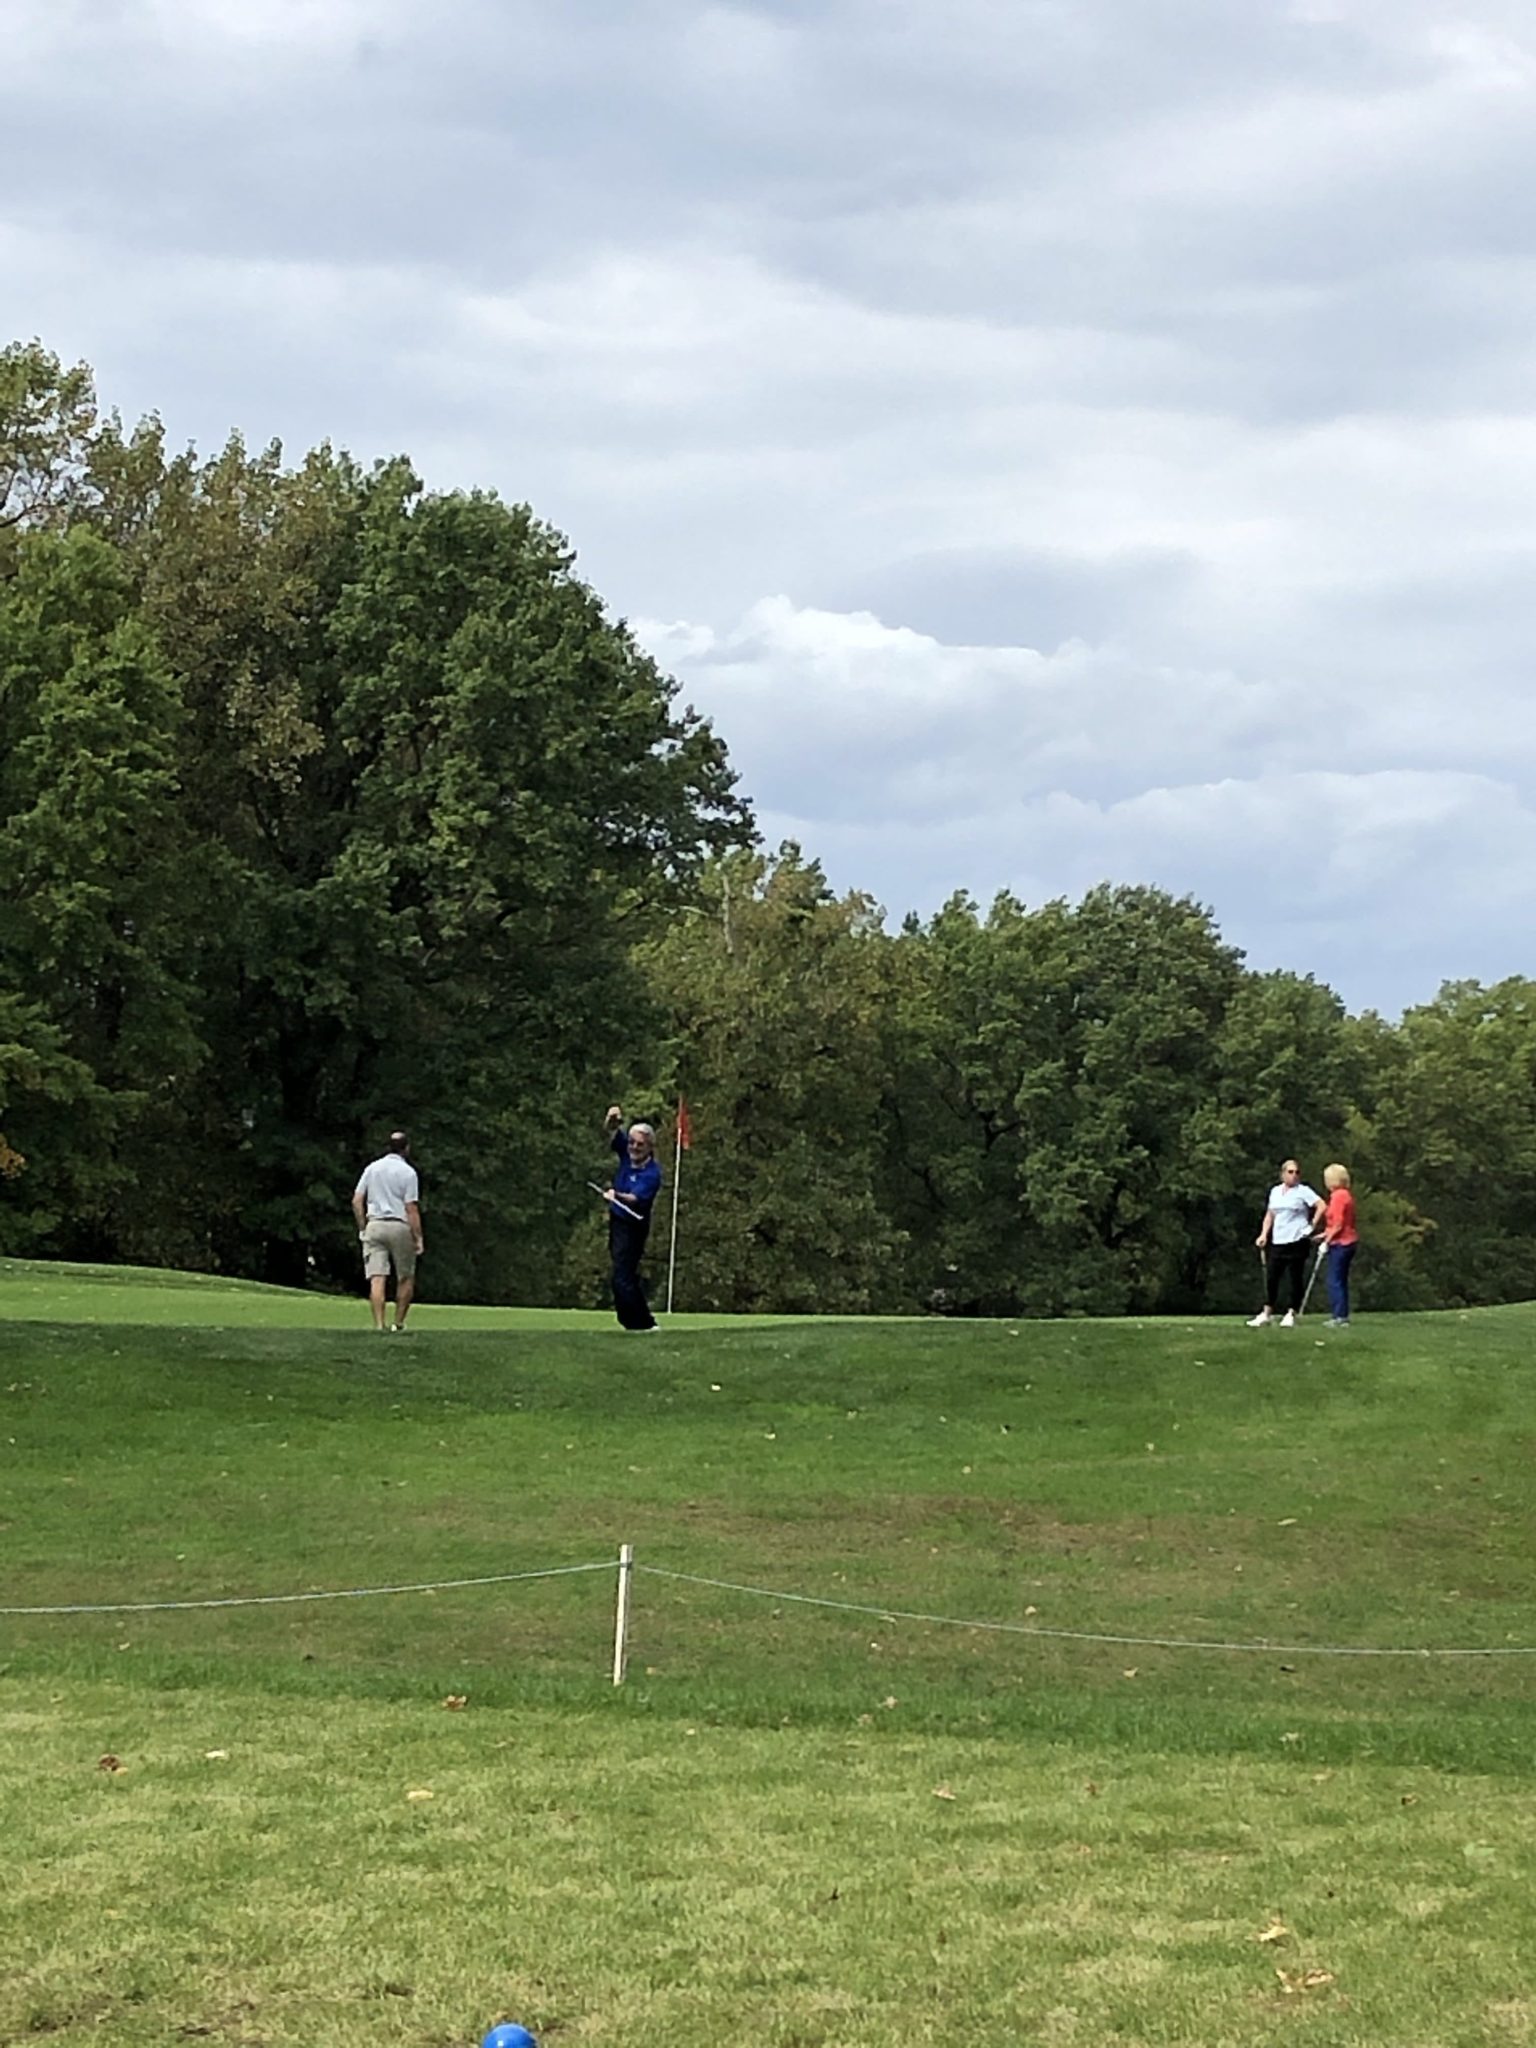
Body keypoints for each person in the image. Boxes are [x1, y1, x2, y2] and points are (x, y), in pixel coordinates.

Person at [351, 1129, 423, 1333]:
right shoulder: (408, 1172)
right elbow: (411, 1208)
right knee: (405, 1277)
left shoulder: (372, 1168)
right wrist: (418, 1237)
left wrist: (363, 1227)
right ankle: (397, 1323)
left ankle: (379, 1324)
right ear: (406, 1148)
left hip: (375, 1224)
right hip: (399, 1225)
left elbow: (357, 1200)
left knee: (377, 1277)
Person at [602, 1105, 661, 1331]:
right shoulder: (627, 1155)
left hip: (633, 1226)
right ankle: (630, 1321)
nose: (634, 1147)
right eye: (632, 1143)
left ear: (649, 1147)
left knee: (623, 1276)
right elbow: (611, 1131)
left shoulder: (652, 1174)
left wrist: (615, 1195)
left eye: (640, 1144)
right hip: (617, 1222)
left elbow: (634, 1199)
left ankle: (643, 1322)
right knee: (620, 1276)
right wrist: (612, 1119)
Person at [1248, 1157, 1325, 1328]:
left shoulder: (1303, 1191)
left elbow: (1321, 1205)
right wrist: (1264, 1234)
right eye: (1290, 1172)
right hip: (1278, 1240)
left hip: (1297, 1239)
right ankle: (1266, 1312)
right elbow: (1270, 1214)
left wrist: (1312, 1225)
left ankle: (1291, 1312)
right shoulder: (1275, 1191)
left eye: (1297, 1172)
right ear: (1283, 1174)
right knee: (1272, 1277)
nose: (1294, 1175)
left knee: (1294, 1277)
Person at [1321, 1163, 1359, 1327]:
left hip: (1341, 1243)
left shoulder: (1337, 1197)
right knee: (1340, 1280)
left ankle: (1339, 1316)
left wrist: (1326, 1241)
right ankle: (1342, 1315)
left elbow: (1338, 1224)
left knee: (1334, 1280)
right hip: (1349, 1241)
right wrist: (1323, 1235)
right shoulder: (1346, 1195)